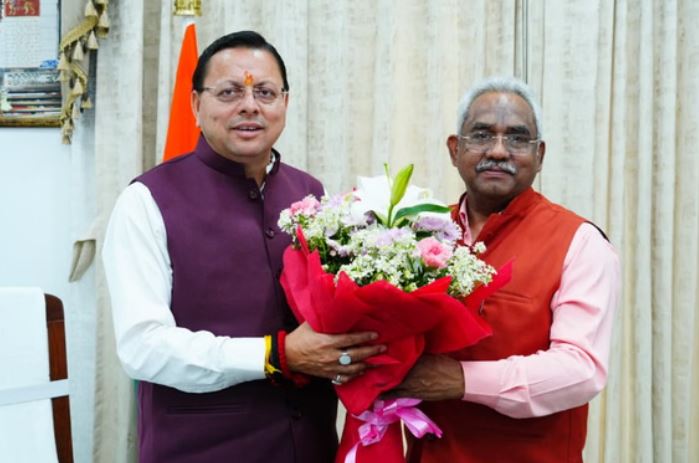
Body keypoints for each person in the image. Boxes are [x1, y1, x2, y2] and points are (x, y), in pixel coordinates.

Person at [102, 31, 384, 463]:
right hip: (200, 450)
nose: (250, 106)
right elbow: (144, 347)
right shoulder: (147, 200)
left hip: (309, 445)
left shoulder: (311, 194)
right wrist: (274, 356)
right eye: (229, 92)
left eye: (265, 93)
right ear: (196, 104)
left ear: (285, 103)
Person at [389, 76, 620, 463]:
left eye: (517, 138)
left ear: (540, 155)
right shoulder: (420, 234)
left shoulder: (580, 242)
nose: (498, 151)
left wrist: (461, 380)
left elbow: (581, 369)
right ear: (455, 149)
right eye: (481, 135)